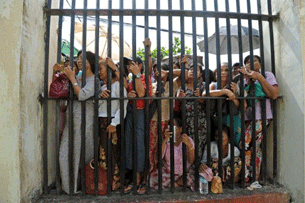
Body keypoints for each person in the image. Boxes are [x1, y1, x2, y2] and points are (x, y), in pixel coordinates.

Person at [59, 51, 96, 194]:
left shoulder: (94, 79)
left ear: (90, 62)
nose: (79, 61)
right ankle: (70, 186)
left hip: (84, 120)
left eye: (82, 58)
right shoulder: (79, 76)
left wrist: (72, 79)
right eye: (79, 58)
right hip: (73, 118)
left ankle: (79, 186)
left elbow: (82, 95)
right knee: (66, 152)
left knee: (81, 153)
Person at [239, 55, 279, 183]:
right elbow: (242, 103)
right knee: (254, 147)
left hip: (262, 116)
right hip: (248, 118)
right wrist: (247, 82)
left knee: (245, 144)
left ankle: (249, 177)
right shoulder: (244, 79)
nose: (251, 64)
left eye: (254, 61)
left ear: (260, 63)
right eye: (248, 63)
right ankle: (253, 177)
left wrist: (259, 78)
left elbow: (274, 94)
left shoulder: (267, 75)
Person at [124, 38, 153, 194]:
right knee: (130, 143)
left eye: (134, 64)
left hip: (141, 113)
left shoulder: (142, 77)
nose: (131, 67)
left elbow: (142, 94)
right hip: (130, 112)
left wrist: (136, 76)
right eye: (129, 65)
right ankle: (134, 178)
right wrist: (128, 94)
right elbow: (132, 94)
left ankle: (140, 180)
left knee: (139, 145)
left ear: (140, 66)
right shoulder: (130, 78)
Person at [149, 63, 188, 173]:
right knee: (152, 149)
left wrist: (167, 72)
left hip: (166, 121)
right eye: (155, 70)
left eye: (160, 70)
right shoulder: (153, 85)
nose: (157, 72)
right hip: (153, 121)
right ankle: (151, 173)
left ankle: (162, 173)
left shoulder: (173, 84)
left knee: (165, 148)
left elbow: (184, 73)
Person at [98, 58, 128, 191]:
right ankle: (106, 180)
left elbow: (123, 106)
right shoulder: (102, 88)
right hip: (101, 122)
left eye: (101, 69)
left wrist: (114, 123)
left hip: (111, 122)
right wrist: (99, 96)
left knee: (113, 152)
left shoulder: (118, 87)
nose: (99, 72)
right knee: (104, 152)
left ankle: (116, 181)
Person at [150, 117, 195, 191]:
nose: (170, 128)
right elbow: (159, 157)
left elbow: (191, 161)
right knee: (152, 179)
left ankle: (176, 183)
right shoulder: (166, 141)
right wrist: (164, 140)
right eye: (169, 126)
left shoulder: (188, 140)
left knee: (196, 176)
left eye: (173, 126)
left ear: (180, 129)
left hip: (185, 171)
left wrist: (189, 145)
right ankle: (177, 183)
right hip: (169, 171)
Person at [206, 62, 243, 146]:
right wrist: (225, 92)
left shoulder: (235, 85)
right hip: (218, 118)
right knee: (219, 143)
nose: (223, 72)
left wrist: (234, 94)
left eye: (226, 70)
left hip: (233, 119)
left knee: (234, 144)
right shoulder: (213, 85)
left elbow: (240, 106)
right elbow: (205, 94)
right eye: (220, 70)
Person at [178, 55, 207, 158]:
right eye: (190, 70)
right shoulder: (182, 86)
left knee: (199, 144)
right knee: (186, 145)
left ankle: (198, 167)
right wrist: (179, 97)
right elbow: (176, 102)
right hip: (185, 120)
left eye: (195, 70)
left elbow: (206, 102)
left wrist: (199, 97)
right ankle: (188, 168)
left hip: (200, 121)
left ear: (200, 74)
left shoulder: (203, 86)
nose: (192, 72)